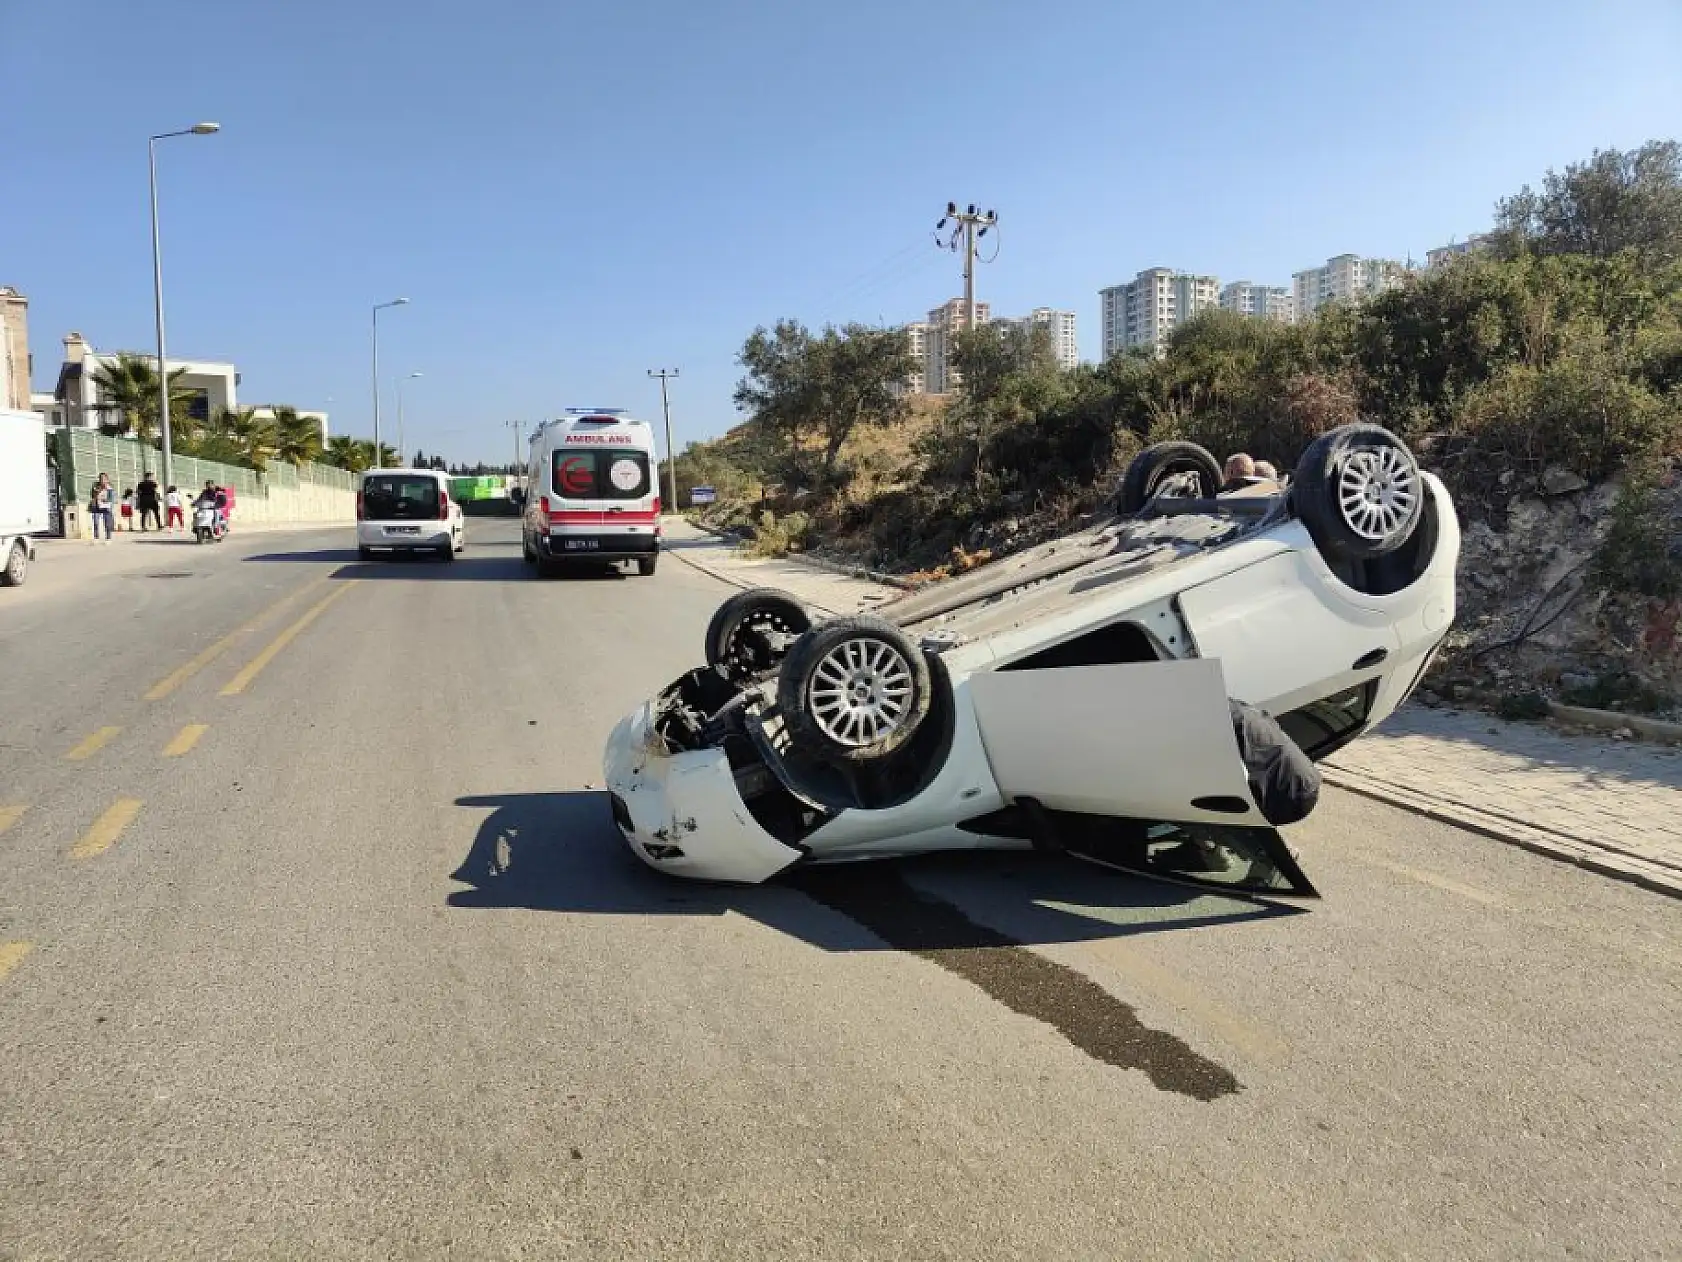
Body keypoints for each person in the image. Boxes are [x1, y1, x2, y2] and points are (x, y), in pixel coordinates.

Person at [88, 473, 115, 543]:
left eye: (103, 478)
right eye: (100, 478)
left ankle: (108, 538)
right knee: (96, 522)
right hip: (96, 506)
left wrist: (105, 499)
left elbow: (110, 498)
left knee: (107, 523)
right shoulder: (95, 486)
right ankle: (96, 537)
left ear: (107, 479)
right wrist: (98, 490)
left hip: (106, 506)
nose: (102, 480)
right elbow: (92, 495)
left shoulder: (110, 487)